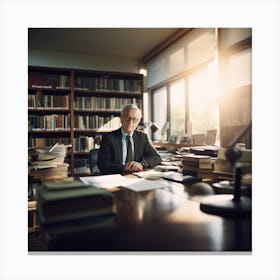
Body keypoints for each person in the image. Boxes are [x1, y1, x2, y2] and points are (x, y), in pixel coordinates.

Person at [97, 104, 161, 174]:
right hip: (116, 175)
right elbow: (102, 164)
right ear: (121, 118)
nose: (130, 122)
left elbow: (156, 157)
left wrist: (141, 164)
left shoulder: (142, 137)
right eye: (128, 118)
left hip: (136, 176)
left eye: (134, 119)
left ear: (138, 122)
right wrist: (124, 167)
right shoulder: (108, 138)